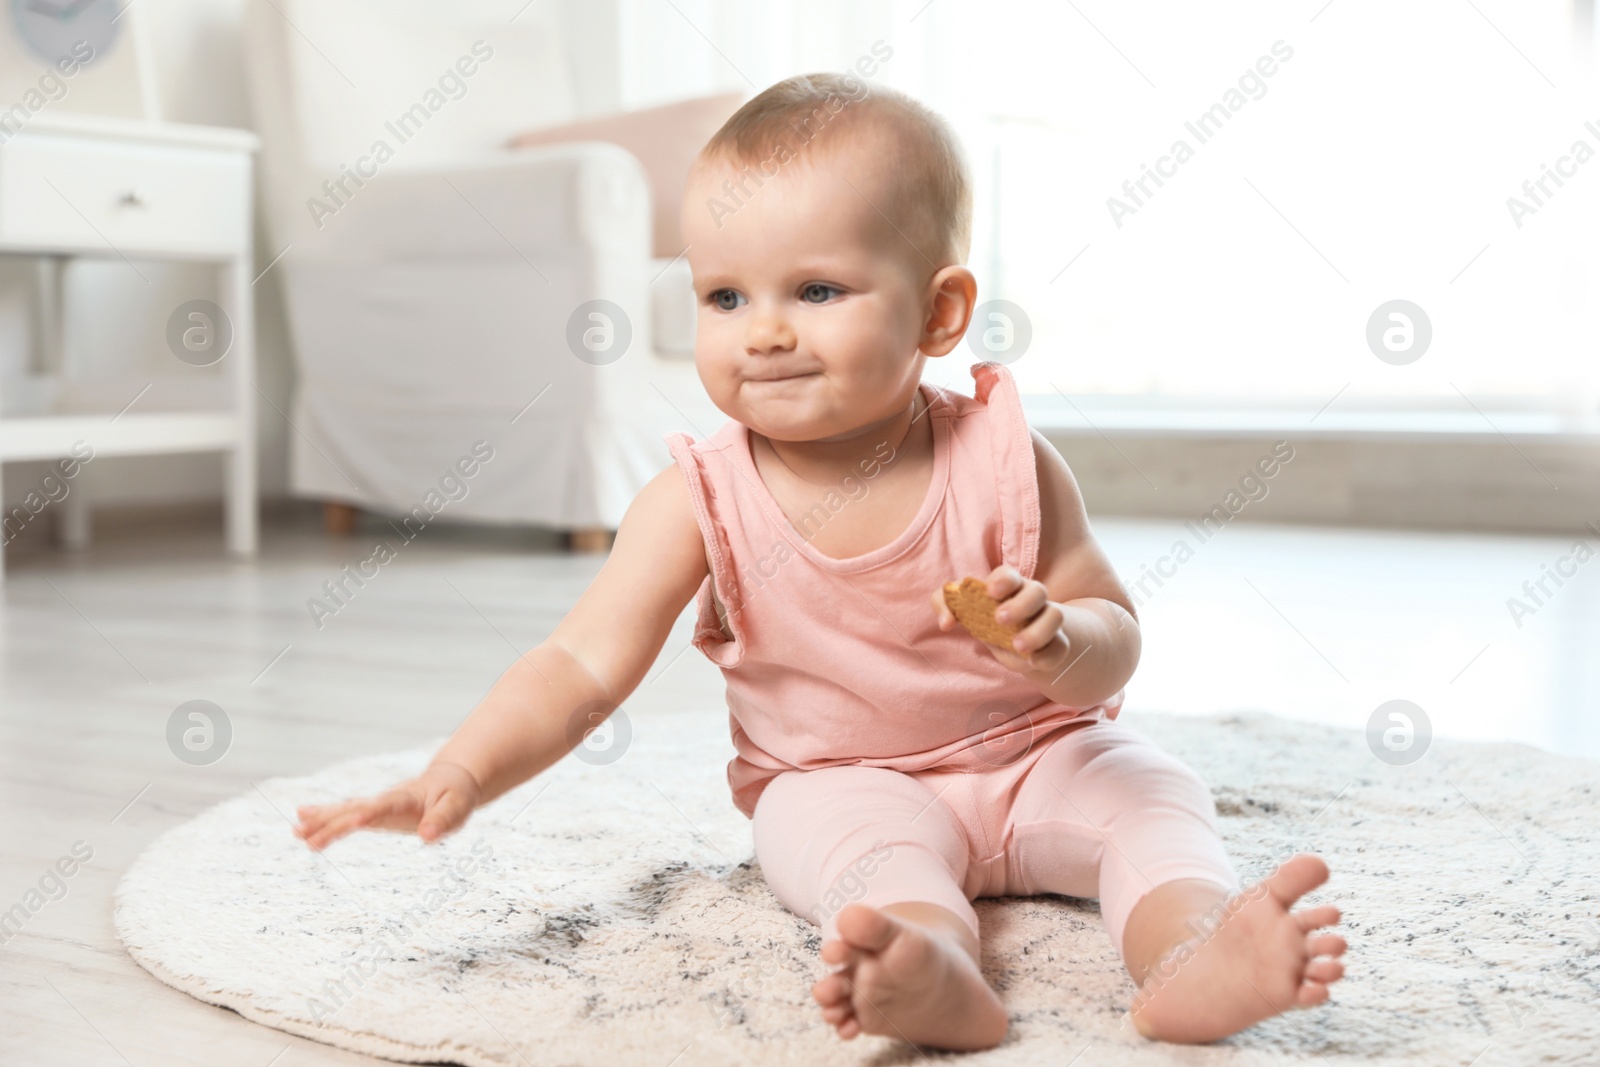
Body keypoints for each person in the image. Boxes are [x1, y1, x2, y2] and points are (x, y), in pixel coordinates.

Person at [294, 72, 1346, 1051]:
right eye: (725, 298)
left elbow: (1113, 635)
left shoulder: (1003, 452)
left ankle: (1189, 955)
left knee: (1152, 796)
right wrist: (464, 768)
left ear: (939, 312)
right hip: (840, 780)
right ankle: (930, 969)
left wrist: (1062, 639)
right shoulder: (693, 502)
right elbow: (577, 667)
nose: (763, 334)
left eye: (815, 290)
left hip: (1035, 756)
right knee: (858, 862)